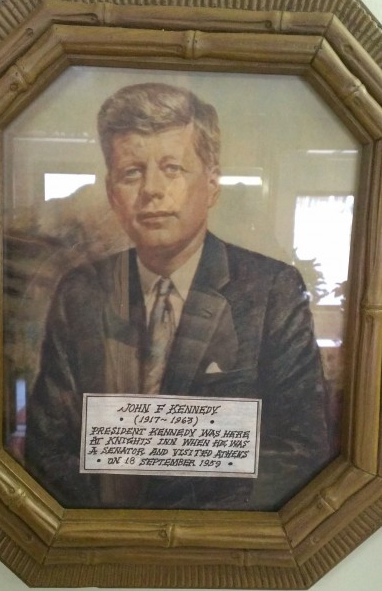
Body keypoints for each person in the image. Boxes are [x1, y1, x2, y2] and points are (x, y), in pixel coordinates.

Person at [25, 82, 332, 511]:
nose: (151, 189)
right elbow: (48, 445)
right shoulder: (82, 293)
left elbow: (299, 448)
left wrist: (185, 531)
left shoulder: (271, 292)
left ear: (211, 185)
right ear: (113, 193)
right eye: (132, 172)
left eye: (172, 168)